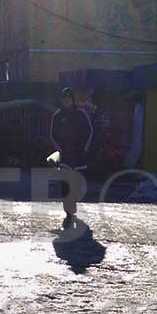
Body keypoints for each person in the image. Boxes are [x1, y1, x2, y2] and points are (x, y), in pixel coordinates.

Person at [49, 88, 93, 227]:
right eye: (64, 98)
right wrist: (60, 150)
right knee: (65, 184)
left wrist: (84, 149)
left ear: (72, 100)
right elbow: (52, 135)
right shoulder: (57, 116)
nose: (67, 101)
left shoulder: (81, 114)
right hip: (65, 157)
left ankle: (72, 203)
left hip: (79, 156)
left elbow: (89, 131)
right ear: (62, 100)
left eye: (69, 98)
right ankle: (68, 212)